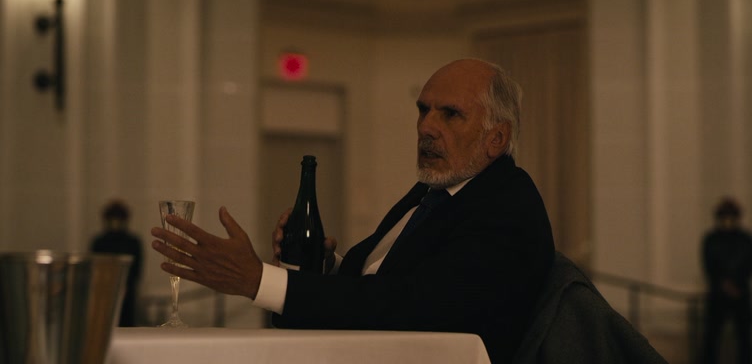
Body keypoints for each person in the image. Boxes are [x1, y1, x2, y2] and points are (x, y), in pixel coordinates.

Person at [150, 58, 662, 363]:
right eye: (423, 109)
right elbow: (385, 283)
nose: (426, 127)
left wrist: (259, 281)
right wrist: (321, 265)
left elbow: (417, 306)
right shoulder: (435, 193)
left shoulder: (508, 206)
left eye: (450, 114)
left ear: (496, 138)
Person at [701, 197, 752, 364]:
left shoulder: (746, 239)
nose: (728, 219)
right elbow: (709, 265)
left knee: (745, 337)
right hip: (718, 294)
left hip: (741, 293)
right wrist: (723, 284)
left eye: (731, 215)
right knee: (712, 337)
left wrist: (737, 283)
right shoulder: (711, 239)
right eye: (724, 215)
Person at [91, 198, 143, 327]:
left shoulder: (133, 242)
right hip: (104, 291)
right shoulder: (99, 242)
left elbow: (136, 270)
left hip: (126, 292)